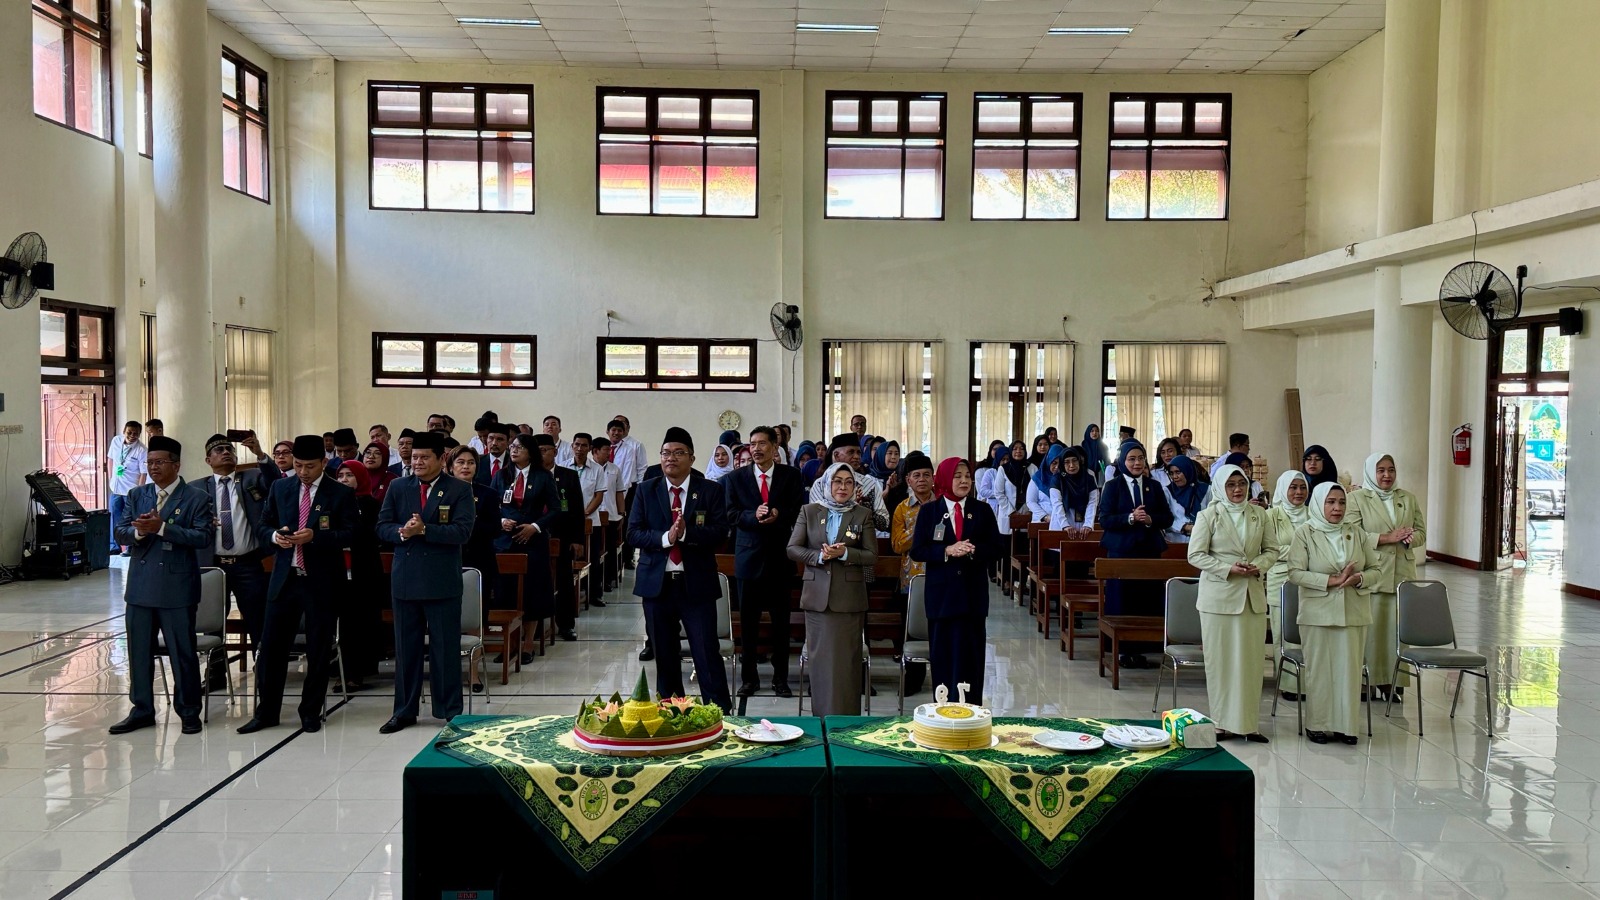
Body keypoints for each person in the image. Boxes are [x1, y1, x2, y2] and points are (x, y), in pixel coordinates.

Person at [238, 435, 356, 735]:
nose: (303, 472)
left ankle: (310, 711)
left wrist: (315, 537)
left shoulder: (339, 493)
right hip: (285, 580)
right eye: (299, 465)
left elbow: (349, 534)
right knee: (272, 649)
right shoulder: (280, 487)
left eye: (310, 466)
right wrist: (275, 536)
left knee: (318, 650)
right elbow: (263, 524)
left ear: (324, 463)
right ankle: (267, 712)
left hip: (321, 582)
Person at [109, 436, 211, 736]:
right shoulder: (138, 494)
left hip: (177, 588)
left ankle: (189, 711)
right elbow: (121, 531)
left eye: (159, 462)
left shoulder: (196, 497)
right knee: (139, 652)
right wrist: (139, 533)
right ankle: (142, 710)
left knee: (182, 653)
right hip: (140, 587)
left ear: (176, 465)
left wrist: (163, 528)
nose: (152, 467)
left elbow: (202, 537)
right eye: (149, 462)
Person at [374, 431, 476, 733]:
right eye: (414, 457)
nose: (417, 462)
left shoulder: (458, 489)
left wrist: (425, 530)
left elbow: (462, 532)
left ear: (441, 458)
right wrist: (403, 533)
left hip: (442, 582)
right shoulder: (398, 486)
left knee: (445, 649)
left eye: (424, 457)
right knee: (406, 650)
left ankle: (449, 712)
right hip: (405, 581)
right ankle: (404, 711)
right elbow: (382, 526)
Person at [627, 427, 732, 712]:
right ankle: (673, 714)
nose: (670, 458)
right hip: (657, 585)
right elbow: (633, 534)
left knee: (706, 653)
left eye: (678, 453)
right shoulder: (646, 490)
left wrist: (686, 536)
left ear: (692, 458)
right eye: (666, 453)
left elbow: (721, 533)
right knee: (665, 655)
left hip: (695, 583)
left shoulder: (710, 490)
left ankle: (719, 714)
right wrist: (666, 538)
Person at [1188, 464, 1280, 743]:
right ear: (1220, 487)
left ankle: (1248, 724)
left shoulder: (1260, 515)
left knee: (1251, 663)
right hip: (1219, 599)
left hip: (1251, 598)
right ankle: (1220, 723)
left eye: (1242, 483)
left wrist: (1257, 566)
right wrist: (1228, 568)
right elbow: (1195, 555)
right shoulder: (1209, 515)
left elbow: (1272, 550)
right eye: (1231, 485)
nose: (1238, 489)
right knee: (1221, 662)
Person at [1288, 483, 1381, 746]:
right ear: (1319, 504)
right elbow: (1294, 573)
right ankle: (1317, 724)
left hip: (1353, 611)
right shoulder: (1305, 533)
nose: (1337, 508)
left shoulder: (1357, 533)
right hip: (1317, 612)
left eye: (1341, 502)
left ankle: (1346, 726)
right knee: (1320, 671)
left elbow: (1376, 569)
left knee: (1348, 670)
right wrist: (1330, 580)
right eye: (1330, 502)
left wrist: (1359, 578)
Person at [787, 462, 877, 716]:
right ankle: (821, 721)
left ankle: (846, 725)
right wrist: (819, 557)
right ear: (827, 483)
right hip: (817, 600)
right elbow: (792, 548)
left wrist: (845, 552)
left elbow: (871, 555)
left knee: (847, 665)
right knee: (821, 665)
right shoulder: (810, 511)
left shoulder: (862, 514)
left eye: (849, 482)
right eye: (837, 481)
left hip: (849, 601)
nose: (843, 487)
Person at [909, 458, 1001, 705]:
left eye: (967, 476)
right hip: (942, 599)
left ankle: (970, 714)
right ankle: (943, 714)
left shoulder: (982, 510)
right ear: (945, 479)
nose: (964, 481)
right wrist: (946, 550)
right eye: (957, 475)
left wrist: (972, 550)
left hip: (972, 598)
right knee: (944, 659)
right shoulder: (931, 511)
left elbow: (997, 548)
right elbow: (917, 551)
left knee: (971, 661)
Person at [725, 426, 804, 699]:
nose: (756, 448)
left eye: (762, 443)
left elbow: (798, 510)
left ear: (774, 447)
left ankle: (781, 679)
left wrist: (778, 514)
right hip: (748, 560)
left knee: (782, 625)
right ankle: (749, 679)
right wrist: (752, 515)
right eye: (752, 444)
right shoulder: (736, 478)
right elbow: (731, 514)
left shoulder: (790, 476)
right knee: (748, 625)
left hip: (780, 560)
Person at [1346, 452, 1426, 704]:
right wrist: (1385, 538)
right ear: (1371, 471)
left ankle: (1393, 681)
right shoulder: (1357, 499)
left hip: (1401, 573)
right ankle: (1366, 681)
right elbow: (1351, 533)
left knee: (1395, 633)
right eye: (1380, 470)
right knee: (1371, 632)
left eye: (1391, 470)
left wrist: (1412, 538)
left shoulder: (1407, 498)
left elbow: (1421, 532)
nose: (1386, 475)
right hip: (1373, 573)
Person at [1097, 441, 1174, 667]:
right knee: (1122, 601)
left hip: (1148, 550)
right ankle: (1121, 651)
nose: (1137, 463)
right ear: (1123, 461)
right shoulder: (1112, 486)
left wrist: (1151, 520)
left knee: (1146, 599)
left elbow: (1166, 517)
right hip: (1121, 551)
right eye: (1131, 459)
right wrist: (1130, 518)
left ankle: (1142, 649)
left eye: (1140, 458)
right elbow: (1105, 519)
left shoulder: (1154, 486)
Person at [196, 434, 273, 652]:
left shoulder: (252, 478)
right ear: (208, 460)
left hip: (247, 563)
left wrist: (260, 454)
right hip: (212, 565)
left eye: (229, 449)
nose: (226, 452)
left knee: (257, 616)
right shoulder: (198, 488)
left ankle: (264, 669)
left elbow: (275, 482)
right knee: (213, 621)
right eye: (219, 450)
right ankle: (217, 672)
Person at [493, 432, 562, 663]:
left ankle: (528, 644)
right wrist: (502, 521)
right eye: (512, 446)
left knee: (532, 594)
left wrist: (534, 526)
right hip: (505, 542)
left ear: (530, 452)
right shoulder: (502, 476)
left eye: (519, 447)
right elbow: (492, 505)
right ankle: (509, 643)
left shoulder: (543, 477)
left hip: (533, 542)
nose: (513, 450)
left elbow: (555, 509)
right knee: (506, 593)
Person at [329, 459, 383, 693]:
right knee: (341, 621)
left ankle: (357, 672)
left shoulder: (371, 504)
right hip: (337, 568)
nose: (344, 480)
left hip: (364, 570)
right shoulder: (331, 502)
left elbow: (371, 534)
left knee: (361, 621)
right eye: (340, 476)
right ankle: (341, 668)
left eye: (349, 476)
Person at [1265, 469, 1311, 700]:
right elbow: (1269, 550)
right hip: (1279, 579)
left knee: (1306, 632)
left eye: (1302, 487)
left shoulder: (1314, 514)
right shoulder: (1271, 515)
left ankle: (1307, 682)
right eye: (1293, 487)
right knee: (1283, 633)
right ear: (1283, 489)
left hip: (1308, 580)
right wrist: (1301, 551)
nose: (1298, 492)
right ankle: (1288, 684)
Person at [536, 434, 585, 642]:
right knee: (537, 582)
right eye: (538, 451)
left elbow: (577, 509)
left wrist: (578, 539)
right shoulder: (532, 476)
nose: (542, 454)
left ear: (555, 452)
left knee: (564, 581)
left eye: (545, 450)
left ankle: (566, 624)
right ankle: (537, 625)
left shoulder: (568, 476)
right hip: (537, 535)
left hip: (563, 535)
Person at [448, 445, 502, 629]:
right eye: (460, 462)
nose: (466, 467)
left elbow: (495, 528)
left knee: (478, 607)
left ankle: (476, 648)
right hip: (449, 556)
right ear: (450, 466)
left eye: (471, 463)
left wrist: (464, 524)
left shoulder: (488, 494)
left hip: (480, 557)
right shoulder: (441, 493)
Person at [809, 434, 890, 532]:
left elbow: (884, 523)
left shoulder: (869, 484)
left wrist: (865, 509)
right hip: (825, 544)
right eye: (851, 452)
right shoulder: (820, 484)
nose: (856, 456)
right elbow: (815, 521)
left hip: (860, 544)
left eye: (858, 453)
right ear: (836, 455)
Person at [570, 432, 608, 608]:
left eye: (584, 445)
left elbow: (599, 495)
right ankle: (570, 594)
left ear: (590, 448)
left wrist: (584, 513)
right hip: (568, 521)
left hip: (591, 521)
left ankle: (594, 594)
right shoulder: (563, 467)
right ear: (572, 446)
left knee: (592, 558)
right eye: (577, 445)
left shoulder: (597, 469)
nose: (579, 448)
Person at [891, 452, 936, 591]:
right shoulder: (902, 509)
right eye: (916, 475)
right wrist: (919, 526)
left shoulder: (943, 506)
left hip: (938, 573)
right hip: (910, 577)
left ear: (933, 479)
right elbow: (897, 545)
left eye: (926, 475)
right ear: (908, 480)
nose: (921, 479)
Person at [590, 436, 625, 594]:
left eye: (610, 450)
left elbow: (619, 493)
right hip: (592, 516)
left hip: (610, 514)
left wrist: (621, 513)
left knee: (610, 549)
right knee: (594, 551)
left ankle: (608, 579)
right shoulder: (588, 468)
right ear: (595, 451)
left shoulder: (614, 469)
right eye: (606, 450)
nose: (609, 453)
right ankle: (591, 582)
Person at [107, 421, 149, 555]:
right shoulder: (116, 441)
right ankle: (114, 546)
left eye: (136, 433)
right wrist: (110, 479)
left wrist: (139, 491)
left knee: (130, 520)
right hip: (116, 488)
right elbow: (110, 459)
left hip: (130, 490)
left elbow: (143, 473)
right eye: (129, 432)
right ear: (124, 431)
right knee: (114, 516)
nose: (132, 435)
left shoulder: (142, 450)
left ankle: (130, 547)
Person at [1050, 447, 1100, 535]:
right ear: (1062, 464)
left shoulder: (1089, 479)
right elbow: (1057, 503)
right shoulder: (1057, 480)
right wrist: (1065, 525)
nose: (1072, 465)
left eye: (1074, 460)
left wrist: (1088, 525)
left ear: (1079, 461)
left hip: (1084, 526)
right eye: (1067, 462)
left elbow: (1092, 503)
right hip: (1060, 526)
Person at [1163, 454, 1209, 544]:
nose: (1175, 477)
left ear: (1188, 470)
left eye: (1178, 472)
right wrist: (1184, 527)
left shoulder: (1206, 490)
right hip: (1176, 542)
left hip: (1202, 540)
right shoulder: (1167, 491)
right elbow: (1165, 519)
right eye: (1171, 473)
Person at [1022, 442, 1058, 523]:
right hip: (1041, 522)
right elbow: (1030, 501)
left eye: (1060, 463)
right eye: (1054, 463)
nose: (1057, 467)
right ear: (1048, 462)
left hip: (1062, 523)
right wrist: (1045, 516)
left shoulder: (1067, 479)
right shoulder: (1038, 478)